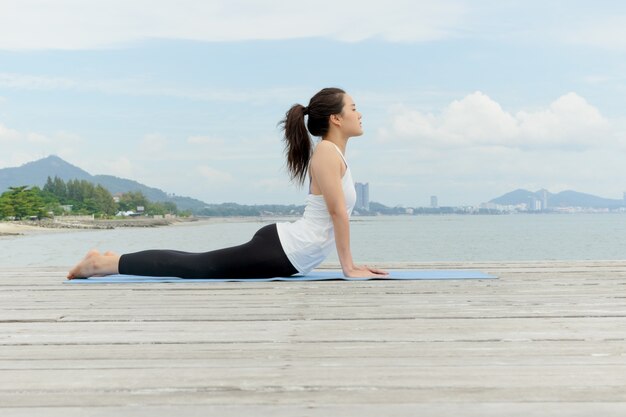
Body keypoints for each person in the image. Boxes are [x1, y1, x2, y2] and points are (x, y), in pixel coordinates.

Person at [67, 87, 388, 280]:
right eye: (354, 108)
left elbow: (334, 216)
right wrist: (349, 268)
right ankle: (101, 264)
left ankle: (112, 257)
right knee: (195, 267)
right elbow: (337, 214)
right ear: (335, 118)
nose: (360, 114)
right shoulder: (327, 154)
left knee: (197, 264)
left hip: (289, 250)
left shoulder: (332, 154)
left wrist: (352, 264)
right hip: (284, 250)